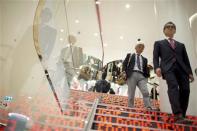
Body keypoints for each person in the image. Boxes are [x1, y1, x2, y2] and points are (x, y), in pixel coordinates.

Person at [153, 21, 194, 122]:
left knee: (185, 90)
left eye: (172, 27)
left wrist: (190, 73)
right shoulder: (159, 43)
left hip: (182, 70)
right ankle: (177, 114)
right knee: (173, 87)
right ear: (164, 30)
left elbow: (186, 60)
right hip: (168, 69)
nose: (170, 28)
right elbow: (155, 57)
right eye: (168, 27)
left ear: (175, 30)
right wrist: (157, 67)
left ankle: (182, 114)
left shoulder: (181, 45)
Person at [123, 41, 152, 109]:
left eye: (142, 47)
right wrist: (124, 72)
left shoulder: (145, 59)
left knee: (145, 91)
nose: (141, 48)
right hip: (132, 74)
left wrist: (147, 73)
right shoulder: (130, 55)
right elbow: (124, 64)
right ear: (135, 47)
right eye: (139, 46)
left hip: (142, 76)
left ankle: (148, 106)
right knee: (131, 92)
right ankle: (131, 107)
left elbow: (145, 69)